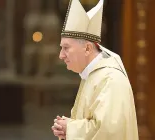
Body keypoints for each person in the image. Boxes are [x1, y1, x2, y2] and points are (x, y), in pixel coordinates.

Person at [51, 0, 139, 139]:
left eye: (66, 48)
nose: (61, 55)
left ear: (87, 48)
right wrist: (67, 128)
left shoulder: (111, 79)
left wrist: (71, 128)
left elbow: (109, 132)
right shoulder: (92, 75)